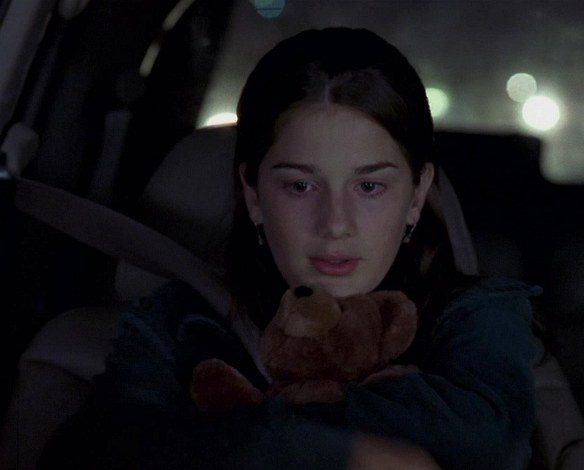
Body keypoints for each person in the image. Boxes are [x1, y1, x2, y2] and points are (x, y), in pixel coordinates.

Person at [40, 27, 540, 469]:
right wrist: (344, 454)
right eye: (301, 186)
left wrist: (235, 436)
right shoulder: (180, 324)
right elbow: (91, 456)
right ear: (255, 196)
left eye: (369, 187)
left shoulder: (475, 316)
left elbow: (488, 446)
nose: (335, 224)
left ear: (415, 197)